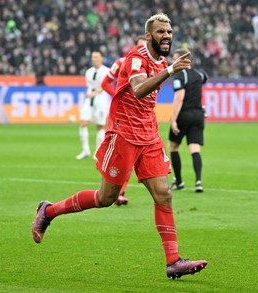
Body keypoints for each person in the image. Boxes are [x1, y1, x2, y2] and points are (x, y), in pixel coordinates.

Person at [32, 13, 207, 280]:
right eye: (161, 32)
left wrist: (167, 68)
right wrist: (170, 70)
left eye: (169, 32)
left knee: (164, 195)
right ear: (149, 35)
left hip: (148, 136)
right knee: (106, 198)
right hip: (124, 135)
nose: (167, 36)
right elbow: (138, 89)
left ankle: (173, 261)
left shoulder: (160, 60)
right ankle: (49, 210)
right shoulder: (136, 58)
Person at [100, 35, 147, 206]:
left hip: (139, 118)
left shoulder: (151, 64)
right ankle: (113, 191)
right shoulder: (121, 62)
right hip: (121, 117)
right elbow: (105, 83)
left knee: (132, 160)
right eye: (141, 47)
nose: (144, 50)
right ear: (135, 47)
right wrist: (117, 97)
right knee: (120, 157)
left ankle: (120, 193)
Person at [168, 48, 208, 193]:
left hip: (184, 115)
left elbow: (179, 98)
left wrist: (173, 119)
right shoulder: (199, 74)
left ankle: (178, 181)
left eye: (175, 59)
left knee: (173, 147)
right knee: (194, 148)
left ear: (183, 60)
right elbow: (205, 78)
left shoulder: (180, 76)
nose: (173, 61)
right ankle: (198, 181)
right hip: (198, 115)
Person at [75, 51, 110, 160]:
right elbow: (88, 85)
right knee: (83, 122)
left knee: (100, 125)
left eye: (96, 57)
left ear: (101, 58)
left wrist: (94, 93)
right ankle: (85, 150)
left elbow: (105, 86)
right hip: (89, 100)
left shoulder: (106, 71)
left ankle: (98, 152)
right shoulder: (89, 72)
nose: (93, 59)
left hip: (101, 100)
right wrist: (88, 93)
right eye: (92, 57)